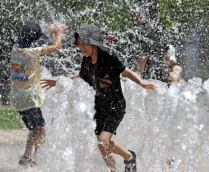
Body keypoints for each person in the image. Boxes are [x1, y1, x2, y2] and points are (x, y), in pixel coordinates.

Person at [41, 24, 158, 172]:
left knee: (103, 141)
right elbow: (81, 76)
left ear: (94, 43)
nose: (81, 47)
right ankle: (114, 170)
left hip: (116, 105)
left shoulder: (109, 58)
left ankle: (129, 157)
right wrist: (59, 80)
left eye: (84, 43)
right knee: (101, 145)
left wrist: (141, 83)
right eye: (79, 44)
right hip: (101, 105)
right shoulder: (87, 60)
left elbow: (125, 71)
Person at [10, 22, 67, 167]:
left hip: (17, 99)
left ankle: (28, 156)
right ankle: (32, 156)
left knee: (35, 128)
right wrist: (58, 32)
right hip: (30, 98)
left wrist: (49, 29)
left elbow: (39, 41)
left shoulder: (15, 48)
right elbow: (56, 47)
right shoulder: (33, 52)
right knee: (40, 128)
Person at [130, 0, 171, 84]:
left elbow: (144, 56)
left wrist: (137, 77)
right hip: (163, 75)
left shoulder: (145, 30)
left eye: (139, 10)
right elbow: (167, 55)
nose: (137, 14)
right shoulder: (161, 28)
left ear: (145, 11)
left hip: (150, 76)